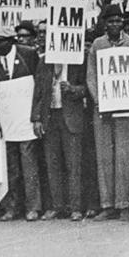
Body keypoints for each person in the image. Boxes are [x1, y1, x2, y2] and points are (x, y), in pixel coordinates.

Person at [85, 4, 129, 221]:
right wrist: (100, 100)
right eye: (110, 21)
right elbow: (91, 76)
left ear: (123, 23)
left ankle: (123, 203)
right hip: (103, 107)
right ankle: (107, 204)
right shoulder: (98, 45)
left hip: (125, 106)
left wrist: (124, 97)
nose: (115, 24)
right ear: (104, 24)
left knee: (124, 155)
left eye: (118, 20)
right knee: (105, 156)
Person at [0, 24, 49, 222]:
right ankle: (12, 207)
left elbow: (39, 87)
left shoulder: (29, 54)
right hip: (6, 119)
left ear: (11, 41)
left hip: (25, 118)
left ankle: (33, 207)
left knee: (29, 164)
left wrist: (36, 116)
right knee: (10, 166)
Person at [42, 48, 88, 221]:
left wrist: (73, 89)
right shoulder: (44, 61)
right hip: (50, 116)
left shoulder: (77, 59)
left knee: (73, 164)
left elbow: (88, 87)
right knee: (52, 163)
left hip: (70, 117)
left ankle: (76, 207)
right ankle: (57, 206)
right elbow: (39, 90)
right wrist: (37, 118)